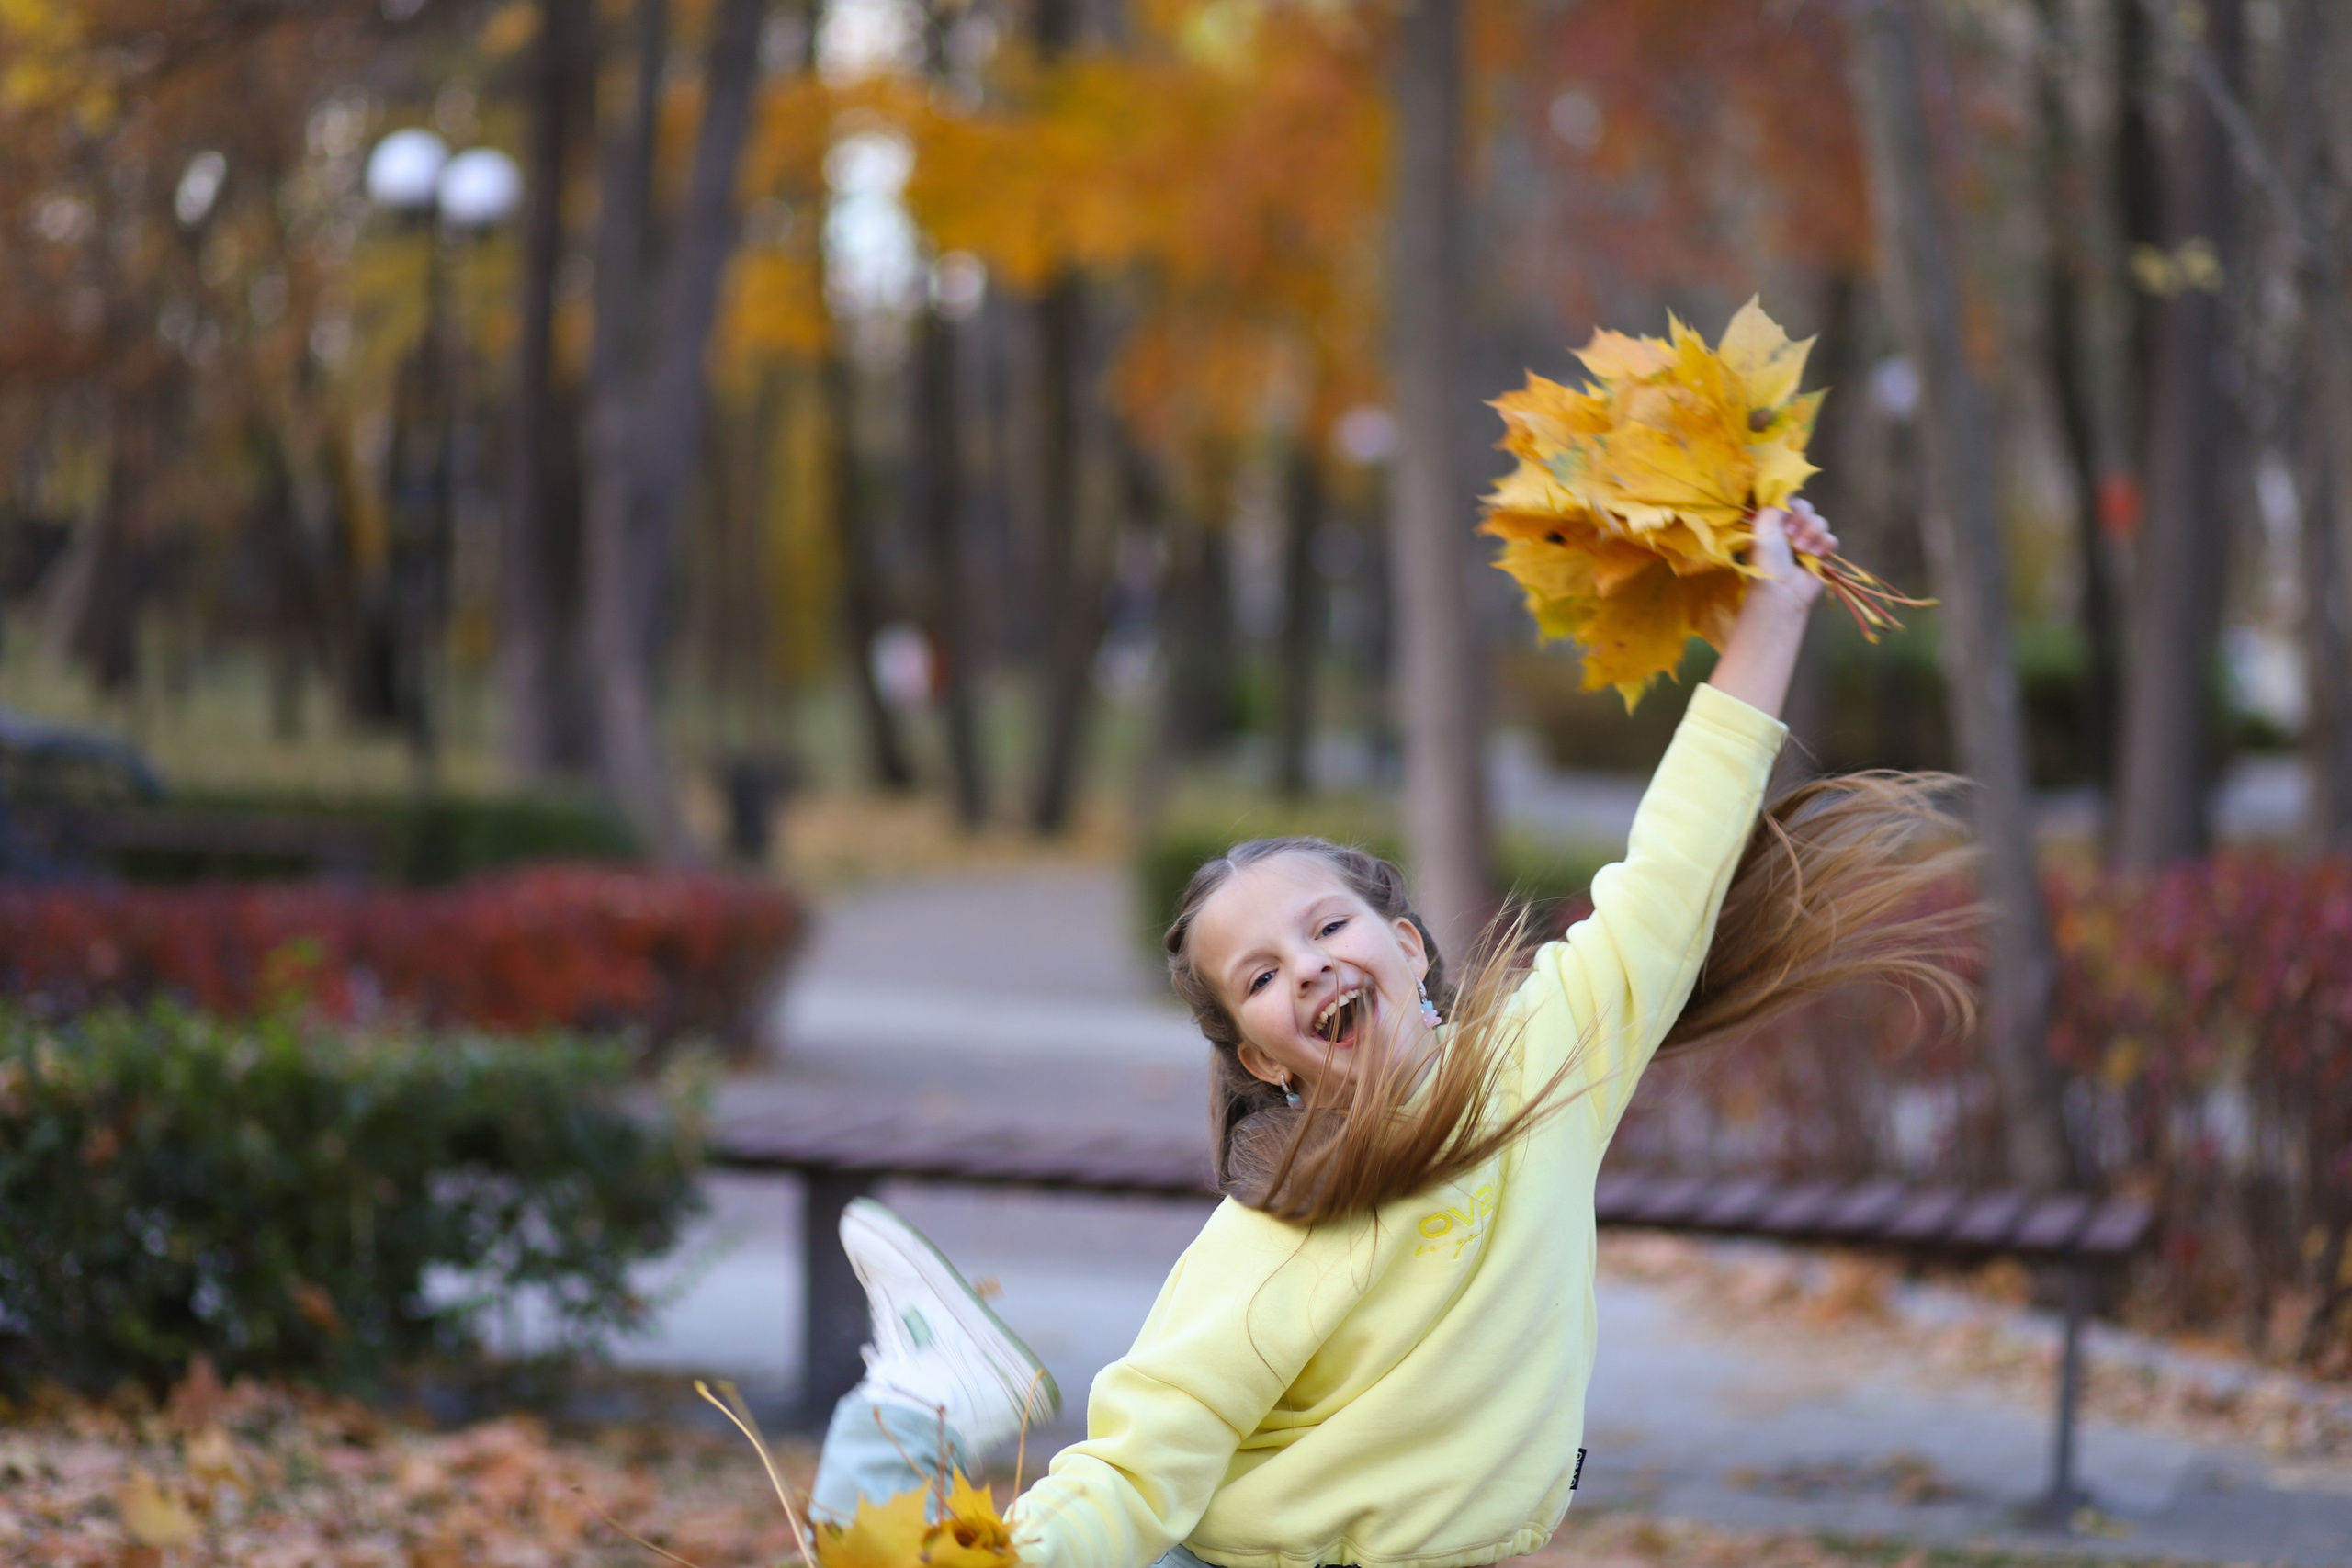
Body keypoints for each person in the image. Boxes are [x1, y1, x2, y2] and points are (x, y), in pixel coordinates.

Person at [808, 502, 1973, 1568]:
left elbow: (1670, 876)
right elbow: (1142, 1460)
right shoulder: (1278, 1238)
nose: (1307, 964)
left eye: (1327, 927)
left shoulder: (1547, 1064)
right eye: (1262, 975)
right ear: (1261, 1055)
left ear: (1410, 948)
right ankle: (910, 1417)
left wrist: (1770, 614)